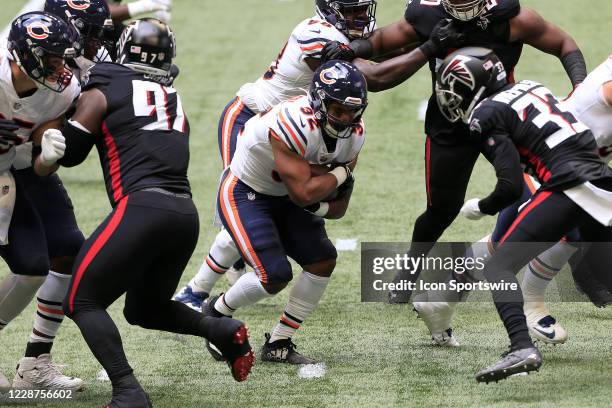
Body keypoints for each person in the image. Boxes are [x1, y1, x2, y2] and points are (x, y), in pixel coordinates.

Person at [33, 19, 254, 407]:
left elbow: (72, 153)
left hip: (141, 208)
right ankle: (222, 330)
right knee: (145, 309)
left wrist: (52, 135)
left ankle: (128, 390)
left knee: (80, 301)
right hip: (183, 214)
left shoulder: (105, 88)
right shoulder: (170, 95)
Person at [320, 0, 588, 304]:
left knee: (556, 188)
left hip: (504, 120)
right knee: (441, 210)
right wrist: (353, 48)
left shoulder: (510, 17)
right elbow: (382, 40)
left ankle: (585, 273)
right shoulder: (427, 14)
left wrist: (579, 89)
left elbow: (563, 43)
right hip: (450, 122)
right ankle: (409, 270)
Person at [173, 0, 377, 311]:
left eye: (363, 9)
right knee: (250, 198)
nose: (360, 17)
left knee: (273, 201)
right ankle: (196, 290)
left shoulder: (341, 43)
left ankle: (239, 261)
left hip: (298, 127)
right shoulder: (316, 33)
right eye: (352, 11)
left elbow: (383, 47)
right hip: (253, 118)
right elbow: (380, 76)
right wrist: (427, 48)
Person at [435, 47, 612, 382]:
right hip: (601, 180)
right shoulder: (535, 86)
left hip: (570, 184)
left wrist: (481, 206)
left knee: (499, 264)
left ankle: (521, 347)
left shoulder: (485, 115)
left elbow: (511, 186)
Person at [203, 60, 366, 365]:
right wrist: (337, 176)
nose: (345, 119)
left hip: (286, 198)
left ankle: (279, 341)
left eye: (351, 111)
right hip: (246, 192)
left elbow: (338, 206)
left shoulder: (355, 134)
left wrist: (325, 194)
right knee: (274, 275)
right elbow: (304, 192)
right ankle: (217, 311)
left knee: (322, 261)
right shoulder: (292, 123)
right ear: (318, 102)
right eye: (337, 110)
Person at [0, 11, 85, 392]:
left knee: (59, 251)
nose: (61, 68)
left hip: (15, 171)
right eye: (52, 59)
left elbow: (37, 167)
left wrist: (48, 158)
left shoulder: (61, 91)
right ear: (25, 56)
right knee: (33, 263)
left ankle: (35, 362)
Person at [44, 0, 115, 83]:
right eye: (92, 33)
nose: (99, 45)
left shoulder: (98, 54)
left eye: (98, 32)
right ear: (67, 30)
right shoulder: (46, 66)